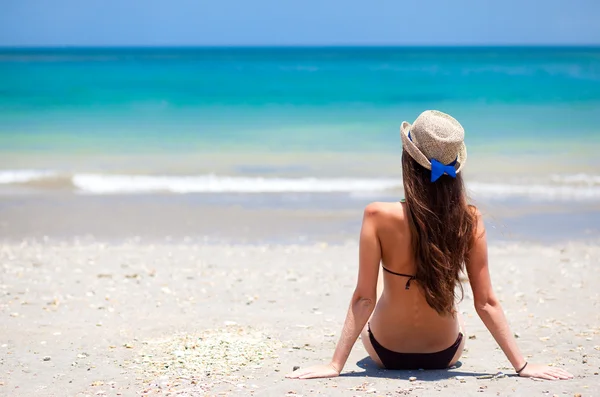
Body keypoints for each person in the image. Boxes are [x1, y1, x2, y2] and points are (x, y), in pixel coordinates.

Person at [286, 110, 573, 381]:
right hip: (444, 353)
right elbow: (485, 302)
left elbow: (364, 298)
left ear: (408, 160)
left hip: (385, 351)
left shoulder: (377, 215)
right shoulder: (469, 219)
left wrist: (335, 365)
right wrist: (522, 366)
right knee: (454, 310)